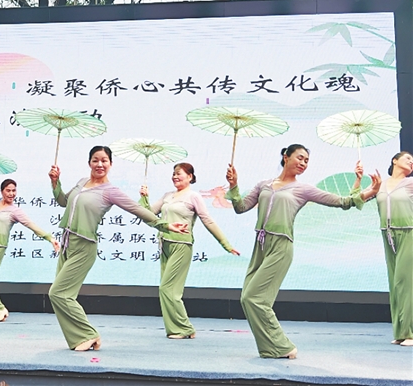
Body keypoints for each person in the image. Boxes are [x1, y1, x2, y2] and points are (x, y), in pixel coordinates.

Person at [224, 144, 379, 359]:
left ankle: (283, 346)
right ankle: (269, 348)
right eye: (300, 158)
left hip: (281, 247)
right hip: (260, 246)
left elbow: (343, 202)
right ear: (286, 157)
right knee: (246, 299)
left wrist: (370, 191)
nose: (303, 163)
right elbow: (240, 207)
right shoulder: (263, 185)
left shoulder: (303, 189)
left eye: (306, 160)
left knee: (254, 298)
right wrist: (234, 185)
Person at [47, 146, 188, 351]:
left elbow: (136, 209)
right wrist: (55, 182)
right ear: (89, 162)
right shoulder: (81, 182)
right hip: (67, 244)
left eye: (104, 160)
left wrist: (165, 225)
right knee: (62, 295)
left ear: (110, 164)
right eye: (95, 160)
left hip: (84, 247)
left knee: (58, 293)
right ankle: (82, 337)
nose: (100, 164)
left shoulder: (110, 191)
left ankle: (87, 335)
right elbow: (63, 201)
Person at [139, 163, 240, 339]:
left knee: (168, 289)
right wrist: (144, 198)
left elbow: (208, 221)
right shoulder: (167, 196)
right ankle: (178, 328)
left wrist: (226, 244)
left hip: (181, 246)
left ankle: (184, 328)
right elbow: (147, 215)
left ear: (190, 177)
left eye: (179, 173)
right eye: (173, 173)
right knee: (166, 290)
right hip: (164, 245)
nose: (175, 176)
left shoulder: (194, 196)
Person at [0, 179, 61, 322]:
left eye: (14, 190)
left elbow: (31, 225)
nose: (11, 193)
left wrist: (49, 238)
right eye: (8, 190)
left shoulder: (15, 211)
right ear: (2, 191)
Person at [362, 151, 413, 347]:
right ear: (395, 160)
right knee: (394, 283)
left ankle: (410, 333)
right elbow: (357, 199)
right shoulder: (380, 185)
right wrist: (358, 179)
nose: (411, 162)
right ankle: (400, 332)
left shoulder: (410, 183)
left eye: (412, 161)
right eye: (408, 158)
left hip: (409, 232)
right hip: (388, 235)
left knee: (405, 282)